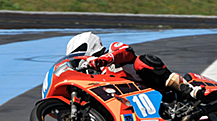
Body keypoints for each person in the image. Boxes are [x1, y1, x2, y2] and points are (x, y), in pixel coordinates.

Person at [65, 31, 204, 99]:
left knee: (143, 62)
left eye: (77, 60)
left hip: (157, 87)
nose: (78, 64)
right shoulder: (98, 78)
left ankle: (187, 89)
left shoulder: (114, 49)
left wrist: (102, 60)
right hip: (137, 101)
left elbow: (127, 52)